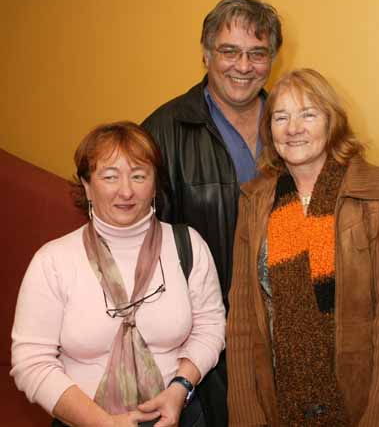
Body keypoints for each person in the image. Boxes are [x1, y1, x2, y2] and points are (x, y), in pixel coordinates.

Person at [227, 68, 379, 426]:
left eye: (308, 114)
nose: (293, 128)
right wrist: (244, 409)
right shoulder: (254, 199)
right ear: (269, 131)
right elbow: (242, 319)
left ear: (332, 122)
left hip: (360, 401)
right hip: (276, 401)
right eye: (281, 117)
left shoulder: (378, 191)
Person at [11, 122, 226, 427]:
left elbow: (211, 327)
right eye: (110, 176)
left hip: (179, 416)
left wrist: (180, 388)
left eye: (139, 176)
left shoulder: (188, 245)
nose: (126, 191)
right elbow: (31, 361)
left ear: (155, 185)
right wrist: (103, 424)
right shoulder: (54, 260)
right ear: (87, 185)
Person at [142, 0, 282, 426]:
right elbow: (142, 244)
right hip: (205, 336)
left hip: (283, 327)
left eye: (257, 53)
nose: (244, 65)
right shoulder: (164, 130)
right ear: (205, 54)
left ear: (272, 59)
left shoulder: (292, 122)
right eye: (229, 51)